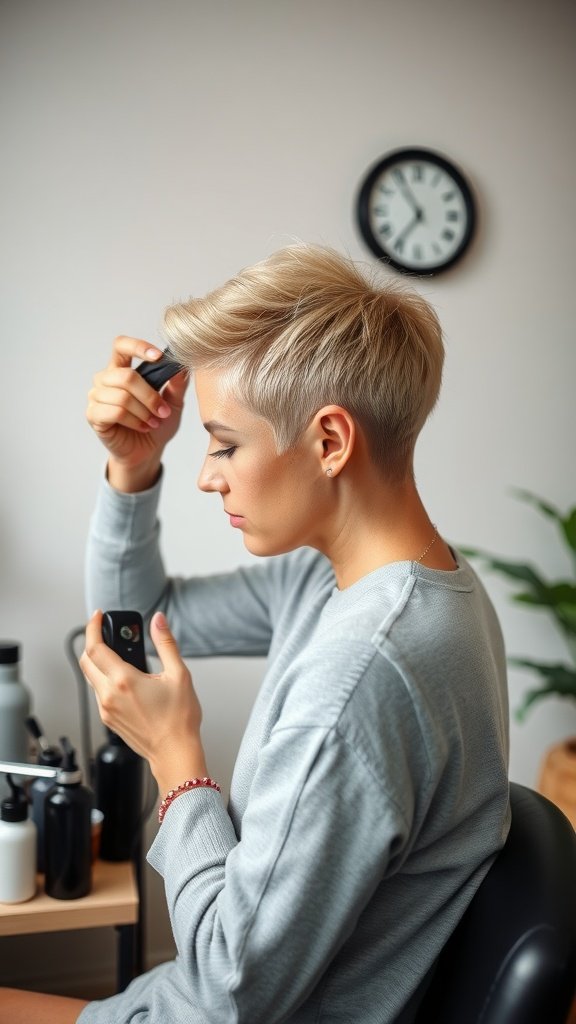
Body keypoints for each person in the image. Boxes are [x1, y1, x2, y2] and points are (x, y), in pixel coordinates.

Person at [0, 244, 510, 1023]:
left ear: (330, 442)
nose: (208, 474)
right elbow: (137, 621)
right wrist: (135, 469)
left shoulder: (360, 676)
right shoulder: (375, 584)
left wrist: (178, 763)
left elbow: (225, 996)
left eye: (226, 443)